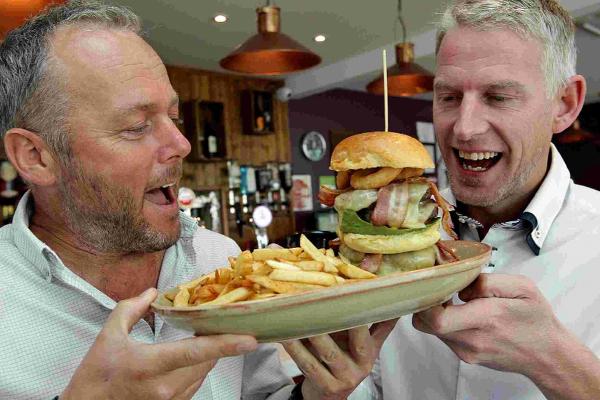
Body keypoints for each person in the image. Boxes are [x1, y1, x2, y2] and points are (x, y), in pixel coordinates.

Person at [0, 1, 396, 399]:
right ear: (36, 157)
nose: (182, 144)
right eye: (136, 127)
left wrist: (317, 392)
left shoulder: (221, 260)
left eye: (174, 118)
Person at [365, 0, 600, 398]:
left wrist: (555, 359)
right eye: (449, 97)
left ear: (565, 105)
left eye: (498, 97)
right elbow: (372, 384)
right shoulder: (382, 239)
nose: (465, 129)